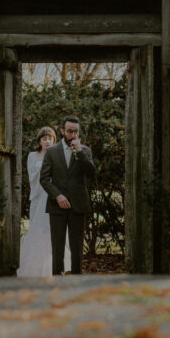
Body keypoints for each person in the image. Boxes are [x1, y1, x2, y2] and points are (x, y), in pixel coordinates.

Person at [40, 115, 96, 275]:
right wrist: (57, 195)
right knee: (57, 246)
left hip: (78, 205)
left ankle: (77, 280)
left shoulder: (85, 150)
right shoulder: (51, 151)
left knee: (77, 246)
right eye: (70, 131)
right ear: (63, 131)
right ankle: (57, 279)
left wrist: (79, 152)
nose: (73, 135)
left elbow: (91, 173)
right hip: (56, 205)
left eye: (76, 131)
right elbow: (44, 179)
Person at [17, 127, 70, 277]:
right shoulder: (32, 156)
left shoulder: (57, 155)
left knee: (53, 231)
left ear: (54, 140)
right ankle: (33, 268)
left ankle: (54, 267)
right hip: (39, 197)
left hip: (52, 197)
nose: (47, 141)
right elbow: (32, 177)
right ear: (39, 141)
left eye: (50, 139)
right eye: (44, 139)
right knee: (38, 229)